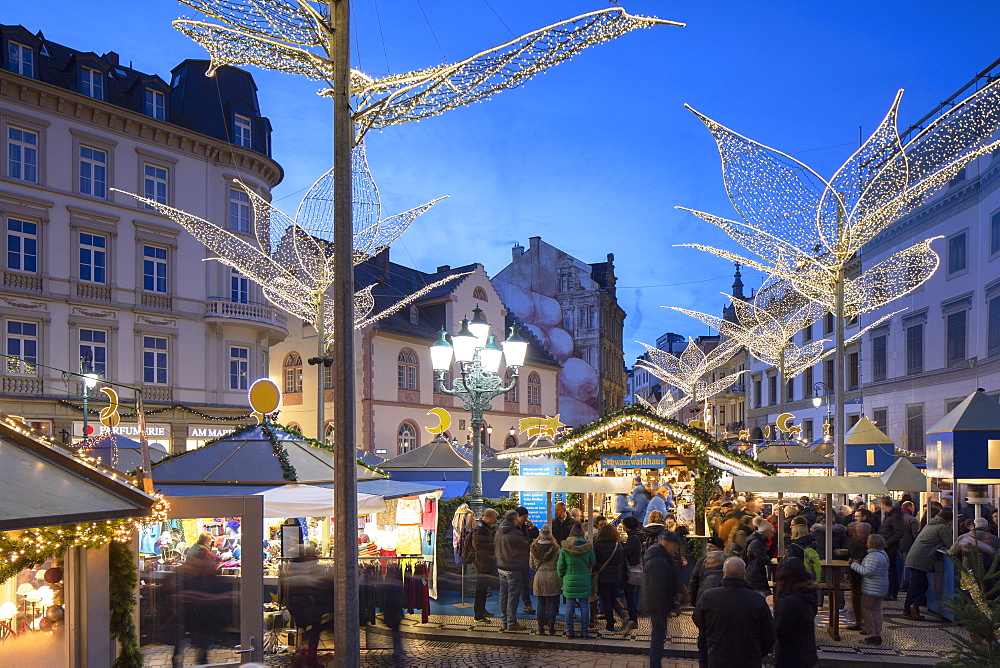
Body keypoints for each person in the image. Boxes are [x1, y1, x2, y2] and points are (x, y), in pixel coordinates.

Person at [693, 557, 776, 668]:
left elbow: (698, 621)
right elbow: (769, 633)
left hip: (718, 657)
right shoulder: (756, 599)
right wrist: (757, 652)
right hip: (748, 659)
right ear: (744, 574)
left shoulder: (708, 597)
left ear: (724, 573)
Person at [904, 508, 953, 620]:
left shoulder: (930, 524)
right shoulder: (943, 527)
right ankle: (909, 608)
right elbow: (950, 544)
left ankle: (913, 606)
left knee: (920, 583)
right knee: (917, 584)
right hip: (921, 559)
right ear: (949, 520)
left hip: (914, 557)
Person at [642, 530, 680, 667]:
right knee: (658, 638)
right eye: (674, 545)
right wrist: (666, 605)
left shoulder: (659, 556)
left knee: (658, 636)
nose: (675, 549)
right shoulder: (659, 560)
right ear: (668, 543)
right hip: (658, 606)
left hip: (657, 604)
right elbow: (658, 587)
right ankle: (655, 665)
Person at [773, 556, 818, 668]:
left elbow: (780, 631)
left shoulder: (790, 601)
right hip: (807, 653)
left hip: (792, 657)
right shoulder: (808, 593)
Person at [849, 533, 890, 645]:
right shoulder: (883, 554)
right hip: (881, 586)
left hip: (872, 587)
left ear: (871, 543)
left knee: (866, 609)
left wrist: (853, 565)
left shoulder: (873, 556)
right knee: (877, 610)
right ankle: (876, 633)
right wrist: (860, 563)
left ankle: (873, 634)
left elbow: (867, 572)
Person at [557, 523, 595, 639]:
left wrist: (562, 577)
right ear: (582, 534)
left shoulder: (565, 548)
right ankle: (584, 632)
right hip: (584, 580)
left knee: (569, 606)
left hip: (569, 580)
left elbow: (560, 566)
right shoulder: (588, 548)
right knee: (584, 606)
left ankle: (569, 632)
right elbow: (593, 563)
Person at [593, 523, 632, 633]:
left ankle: (610, 625)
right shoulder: (618, 545)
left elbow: (595, 561)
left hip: (603, 575)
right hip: (616, 576)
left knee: (606, 600)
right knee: (613, 598)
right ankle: (624, 617)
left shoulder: (599, 545)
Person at [495, 509, 530, 631]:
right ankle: (511, 622)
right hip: (513, 567)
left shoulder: (499, 530)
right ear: (515, 519)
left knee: (503, 595)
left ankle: (504, 621)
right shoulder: (515, 533)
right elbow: (526, 547)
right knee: (513, 596)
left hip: (501, 566)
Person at [529, 524, 561, 636]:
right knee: (553, 603)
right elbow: (559, 564)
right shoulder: (556, 548)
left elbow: (532, 566)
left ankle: (540, 628)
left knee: (541, 603)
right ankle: (551, 628)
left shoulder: (533, 547)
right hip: (553, 576)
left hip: (540, 576)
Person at [470, 508, 499, 622]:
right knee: (481, 590)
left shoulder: (483, 527)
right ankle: (478, 614)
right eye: (495, 518)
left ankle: (481, 610)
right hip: (483, 563)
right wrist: (494, 545)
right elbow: (478, 546)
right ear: (489, 517)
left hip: (485, 562)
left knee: (483, 589)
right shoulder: (480, 528)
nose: (495, 521)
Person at [845, 521, 872, 631]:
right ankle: (858, 621)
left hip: (867, 577)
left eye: (865, 533)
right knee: (856, 599)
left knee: (867, 602)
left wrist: (858, 561)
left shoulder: (872, 543)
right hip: (855, 575)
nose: (863, 535)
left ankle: (868, 625)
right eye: (861, 533)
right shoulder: (852, 542)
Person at [876, 496, 904, 601]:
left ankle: (892, 592)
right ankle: (889, 591)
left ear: (882, 503)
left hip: (890, 547)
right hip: (886, 545)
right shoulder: (891, 515)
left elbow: (899, 532)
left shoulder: (895, 515)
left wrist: (887, 543)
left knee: (891, 569)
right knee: (889, 569)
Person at [620, 515, 643, 627]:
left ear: (627, 526)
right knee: (630, 594)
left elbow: (626, 552)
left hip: (630, 570)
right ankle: (631, 616)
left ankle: (633, 618)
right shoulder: (636, 535)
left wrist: (621, 546)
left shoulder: (633, 538)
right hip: (634, 567)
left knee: (629, 594)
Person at [514, 507, 538, 614]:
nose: (525, 519)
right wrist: (528, 541)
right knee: (514, 584)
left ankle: (527, 604)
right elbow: (519, 541)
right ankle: (511, 608)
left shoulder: (526, 526)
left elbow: (535, 535)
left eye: (526, 517)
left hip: (525, 558)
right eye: (524, 517)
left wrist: (533, 527)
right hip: (515, 559)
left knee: (525, 582)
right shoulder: (512, 528)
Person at [689, 537, 725, 605]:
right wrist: (693, 599)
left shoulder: (726, 563)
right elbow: (694, 581)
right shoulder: (701, 562)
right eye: (707, 545)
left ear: (720, 549)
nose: (707, 548)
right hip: (701, 598)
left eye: (711, 546)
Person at [744, 517, 773, 596]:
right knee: (757, 595)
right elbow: (763, 559)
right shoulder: (757, 542)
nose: (771, 534)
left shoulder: (757, 540)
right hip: (755, 574)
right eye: (770, 532)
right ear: (765, 531)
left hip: (753, 572)